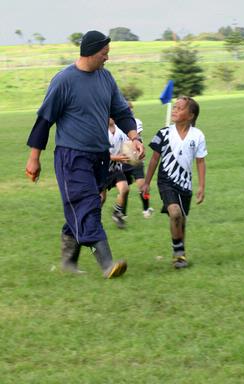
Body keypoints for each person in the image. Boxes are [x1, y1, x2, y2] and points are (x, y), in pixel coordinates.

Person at [25, 30, 144, 278]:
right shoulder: (64, 81)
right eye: (104, 54)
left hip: (99, 156)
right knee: (86, 205)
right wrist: (33, 158)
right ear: (90, 52)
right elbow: (44, 121)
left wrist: (134, 137)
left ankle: (69, 262)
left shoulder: (106, 78)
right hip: (72, 157)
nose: (107, 58)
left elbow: (121, 112)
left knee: (88, 205)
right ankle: (107, 264)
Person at [142, 96, 207, 269]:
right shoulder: (163, 133)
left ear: (190, 115)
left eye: (180, 108)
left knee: (181, 221)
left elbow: (200, 161)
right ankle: (178, 251)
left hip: (185, 184)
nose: (175, 110)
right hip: (166, 181)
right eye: (175, 107)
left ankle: (180, 255)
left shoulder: (198, 135)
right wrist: (147, 182)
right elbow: (154, 159)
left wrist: (201, 186)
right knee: (175, 213)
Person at [121, 101, 154, 221]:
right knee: (124, 189)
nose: (130, 111)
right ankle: (122, 214)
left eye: (131, 109)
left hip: (135, 160)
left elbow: (137, 137)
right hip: (122, 161)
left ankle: (146, 209)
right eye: (127, 109)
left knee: (142, 185)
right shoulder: (115, 125)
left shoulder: (136, 122)